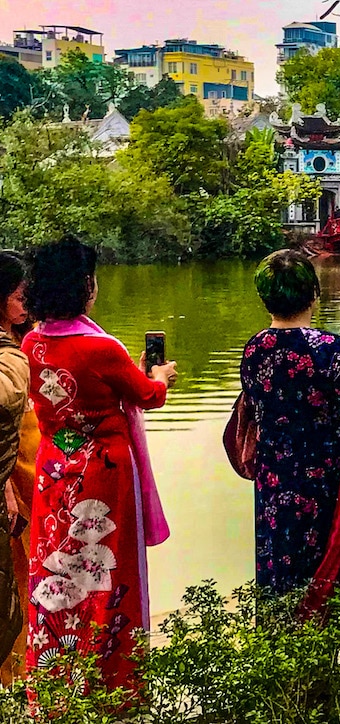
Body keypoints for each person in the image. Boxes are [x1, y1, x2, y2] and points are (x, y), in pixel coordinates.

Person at [21, 237, 177, 689]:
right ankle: (112, 677)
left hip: (55, 466)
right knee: (106, 567)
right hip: (102, 469)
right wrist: (160, 375)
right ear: (86, 285)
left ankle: (55, 672)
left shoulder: (32, 342)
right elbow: (148, 396)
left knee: (56, 563)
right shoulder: (101, 349)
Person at [240, 250, 340, 613]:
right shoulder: (330, 349)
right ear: (314, 295)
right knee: (323, 561)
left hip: (273, 475)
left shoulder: (254, 349)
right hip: (322, 475)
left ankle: (274, 638)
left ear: (265, 298)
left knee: (275, 557)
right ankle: (320, 650)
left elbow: (254, 409)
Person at [0, 250, 36, 684]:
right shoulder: (13, 357)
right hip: (15, 476)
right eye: (20, 293)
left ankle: (21, 673)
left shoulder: (24, 344)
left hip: (26, 475)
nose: (29, 300)